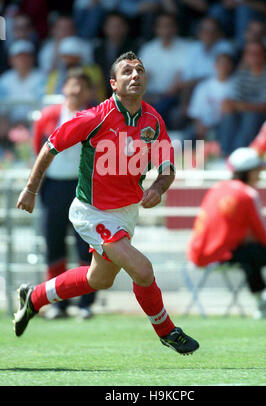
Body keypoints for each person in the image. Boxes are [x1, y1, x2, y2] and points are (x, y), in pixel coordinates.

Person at [13, 51, 199, 355]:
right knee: (142, 269)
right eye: (127, 71)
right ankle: (167, 331)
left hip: (126, 214)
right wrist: (31, 189)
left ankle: (34, 298)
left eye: (139, 70)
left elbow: (167, 168)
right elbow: (50, 147)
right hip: (92, 212)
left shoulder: (153, 120)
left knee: (97, 279)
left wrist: (159, 187)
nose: (135, 75)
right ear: (113, 83)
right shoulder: (95, 117)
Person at [187, 147, 266, 319]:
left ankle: (262, 299)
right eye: (258, 170)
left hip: (199, 254)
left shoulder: (217, 188)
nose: (260, 174)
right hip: (222, 253)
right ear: (249, 172)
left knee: (248, 252)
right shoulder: (248, 194)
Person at [33, 70, 97, 319]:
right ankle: (57, 303)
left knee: (86, 245)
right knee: (54, 243)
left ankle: (85, 303)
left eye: (82, 86)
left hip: (84, 188)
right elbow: (37, 149)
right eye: (73, 85)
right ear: (64, 88)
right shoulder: (49, 115)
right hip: (54, 187)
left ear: (89, 91)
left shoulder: (95, 116)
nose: (77, 90)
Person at [219, 41, 266, 155]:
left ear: (264, 56)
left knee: (250, 116)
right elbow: (232, 103)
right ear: (245, 56)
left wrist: (239, 105)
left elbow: (265, 106)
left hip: (265, 117)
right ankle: (224, 153)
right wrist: (236, 105)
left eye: (257, 53)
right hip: (244, 114)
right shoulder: (241, 74)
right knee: (228, 115)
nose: (254, 57)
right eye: (251, 53)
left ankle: (239, 154)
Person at [138, 11, 196, 128]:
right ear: (156, 29)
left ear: (175, 28)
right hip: (151, 93)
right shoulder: (148, 48)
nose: (166, 29)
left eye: (169, 25)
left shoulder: (186, 47)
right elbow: (144, 76)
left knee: (159, 108)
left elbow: (179, 78)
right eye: (162, 26)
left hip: (175, 95)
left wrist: (162, 96)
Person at [185, 53, 236, 141]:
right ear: (215, 65)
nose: (223, 66)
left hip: (224, 127)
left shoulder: (236, 86)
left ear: (231, 66)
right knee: (187, 137)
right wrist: (199, 125)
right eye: (221, 63)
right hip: (203, 125)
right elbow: (195, 112)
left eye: (226, 64)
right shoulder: (203, 86)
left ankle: (224, 151)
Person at [46, 36, 106, 104]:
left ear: (79, 56)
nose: (67, 59)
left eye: (71, 56)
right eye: (64, 56)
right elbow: (49, 95)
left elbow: (96, 95)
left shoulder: (93, 71)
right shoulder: (55, 73)